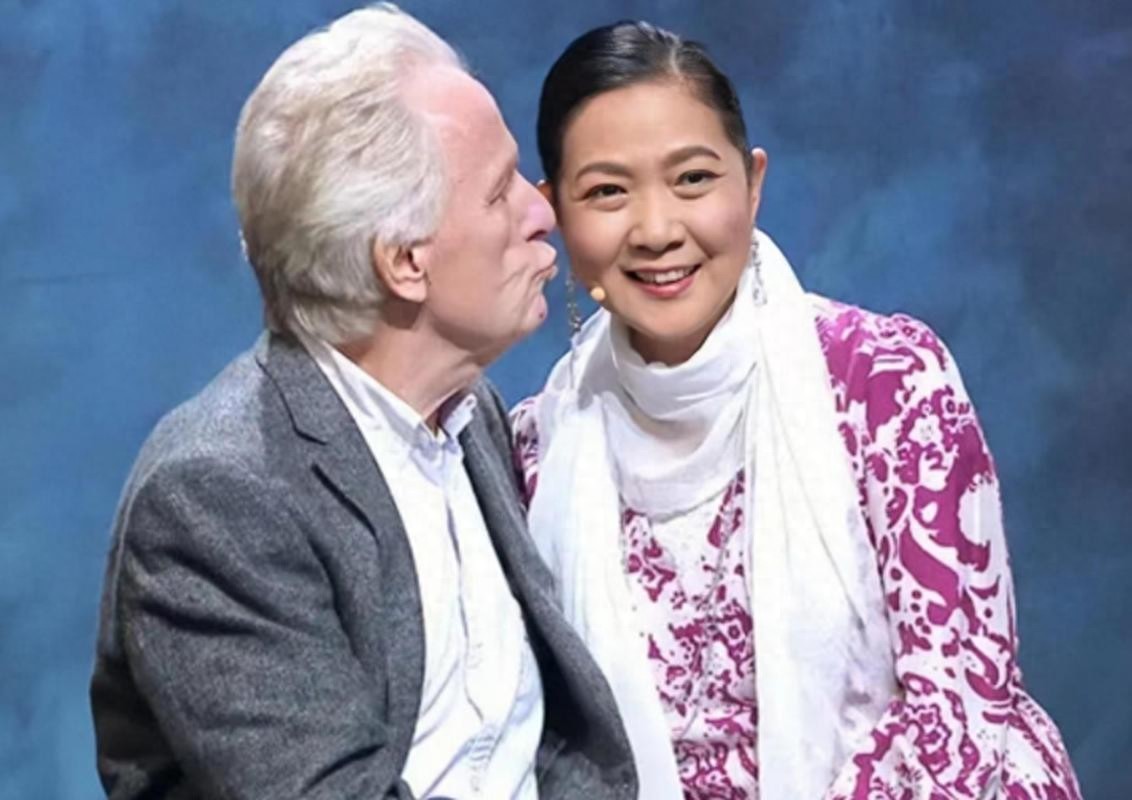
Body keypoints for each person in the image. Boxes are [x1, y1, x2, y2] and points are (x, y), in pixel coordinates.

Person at [512, 21, 1081, 800]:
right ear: (554, 212)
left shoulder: (887, 385)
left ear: (752, 184)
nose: (657, 230)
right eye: (607, 192)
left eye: (692, 179)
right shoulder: (537, 448)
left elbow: (957, 715)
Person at [89, 6, 637, 799]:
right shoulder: (219, 495)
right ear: (404, 262)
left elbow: (549, 744)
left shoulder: (469, 413)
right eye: (498, 193)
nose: (543, 212)